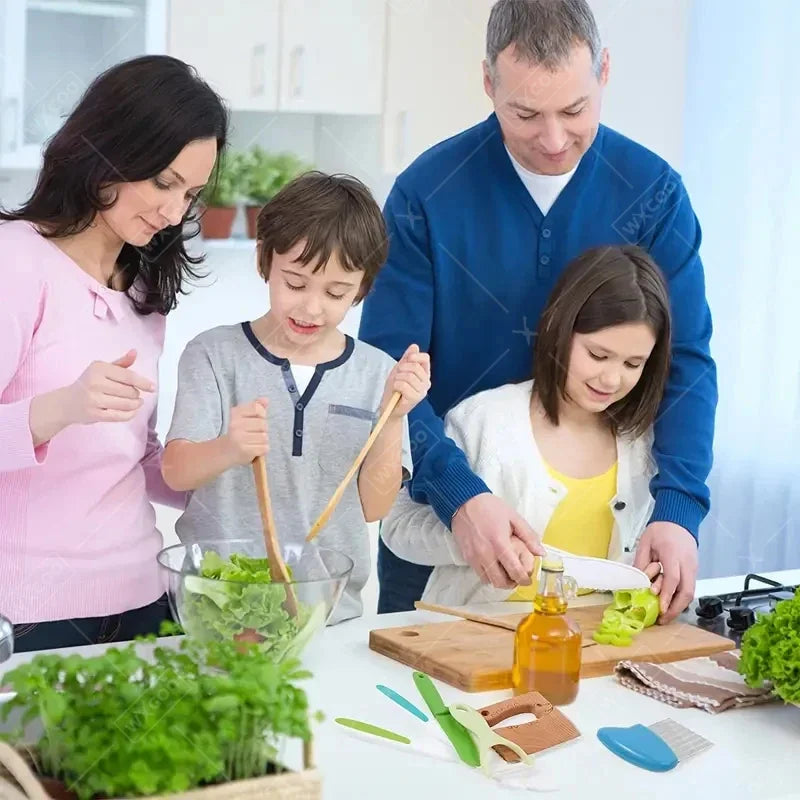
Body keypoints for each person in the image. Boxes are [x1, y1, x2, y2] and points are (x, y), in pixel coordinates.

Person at [359, 0, 717, 623]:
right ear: (488, 84)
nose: (553, 140)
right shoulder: (427, 191)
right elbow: (388, 374)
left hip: (595, 541)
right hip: (441, 537)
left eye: (574, 110)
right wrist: (457, 496)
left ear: (603, 72)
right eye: (524, 113)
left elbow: (684, 359)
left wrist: (678, 507)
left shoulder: (654, 193)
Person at [0, 55, 229, 651]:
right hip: (30, 614)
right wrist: (63, 406)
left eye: (192, 193)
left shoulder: (147, 289)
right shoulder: (16, 263)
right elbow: (70, 416)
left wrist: (220, 458)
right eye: (163, 182)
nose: (174, 212)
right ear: (107, 153)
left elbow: (135, 456)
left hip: (143, 600)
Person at [161, 172, 431, 624]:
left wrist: (395, 416)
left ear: (362, 288)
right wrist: (230, 447)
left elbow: (375, 508)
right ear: (265, 261)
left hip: (330, 616)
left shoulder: (376, 373)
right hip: (216, 609)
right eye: (296, 282)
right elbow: (175, 472)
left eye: (336, 292)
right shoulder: (213, 354)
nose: (311, 308)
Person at [381, 245, 671, 606]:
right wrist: (472, 541)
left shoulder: (644, 444)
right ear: (560, 331)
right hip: (472, 646)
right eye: (598, 355)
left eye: (633, 364)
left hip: (592, 651)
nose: (611, 379)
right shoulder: (484, 420)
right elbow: (396, 527)